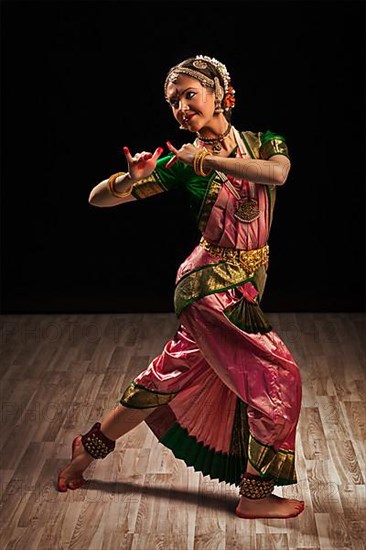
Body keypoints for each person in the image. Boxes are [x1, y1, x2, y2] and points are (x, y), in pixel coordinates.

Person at [57, 55, 305, 520]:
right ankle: (254, 495)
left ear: (218, 92)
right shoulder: (179, 163)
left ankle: (85, 451)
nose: (182, 107)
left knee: (167, 377)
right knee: (280, 378)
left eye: (191, 94)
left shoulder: (261, 142)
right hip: (209, 287)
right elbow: (97, 199)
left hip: (239, 285)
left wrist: (207, 159)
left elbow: (277, 174)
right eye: (173, 101)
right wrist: (129, 181)